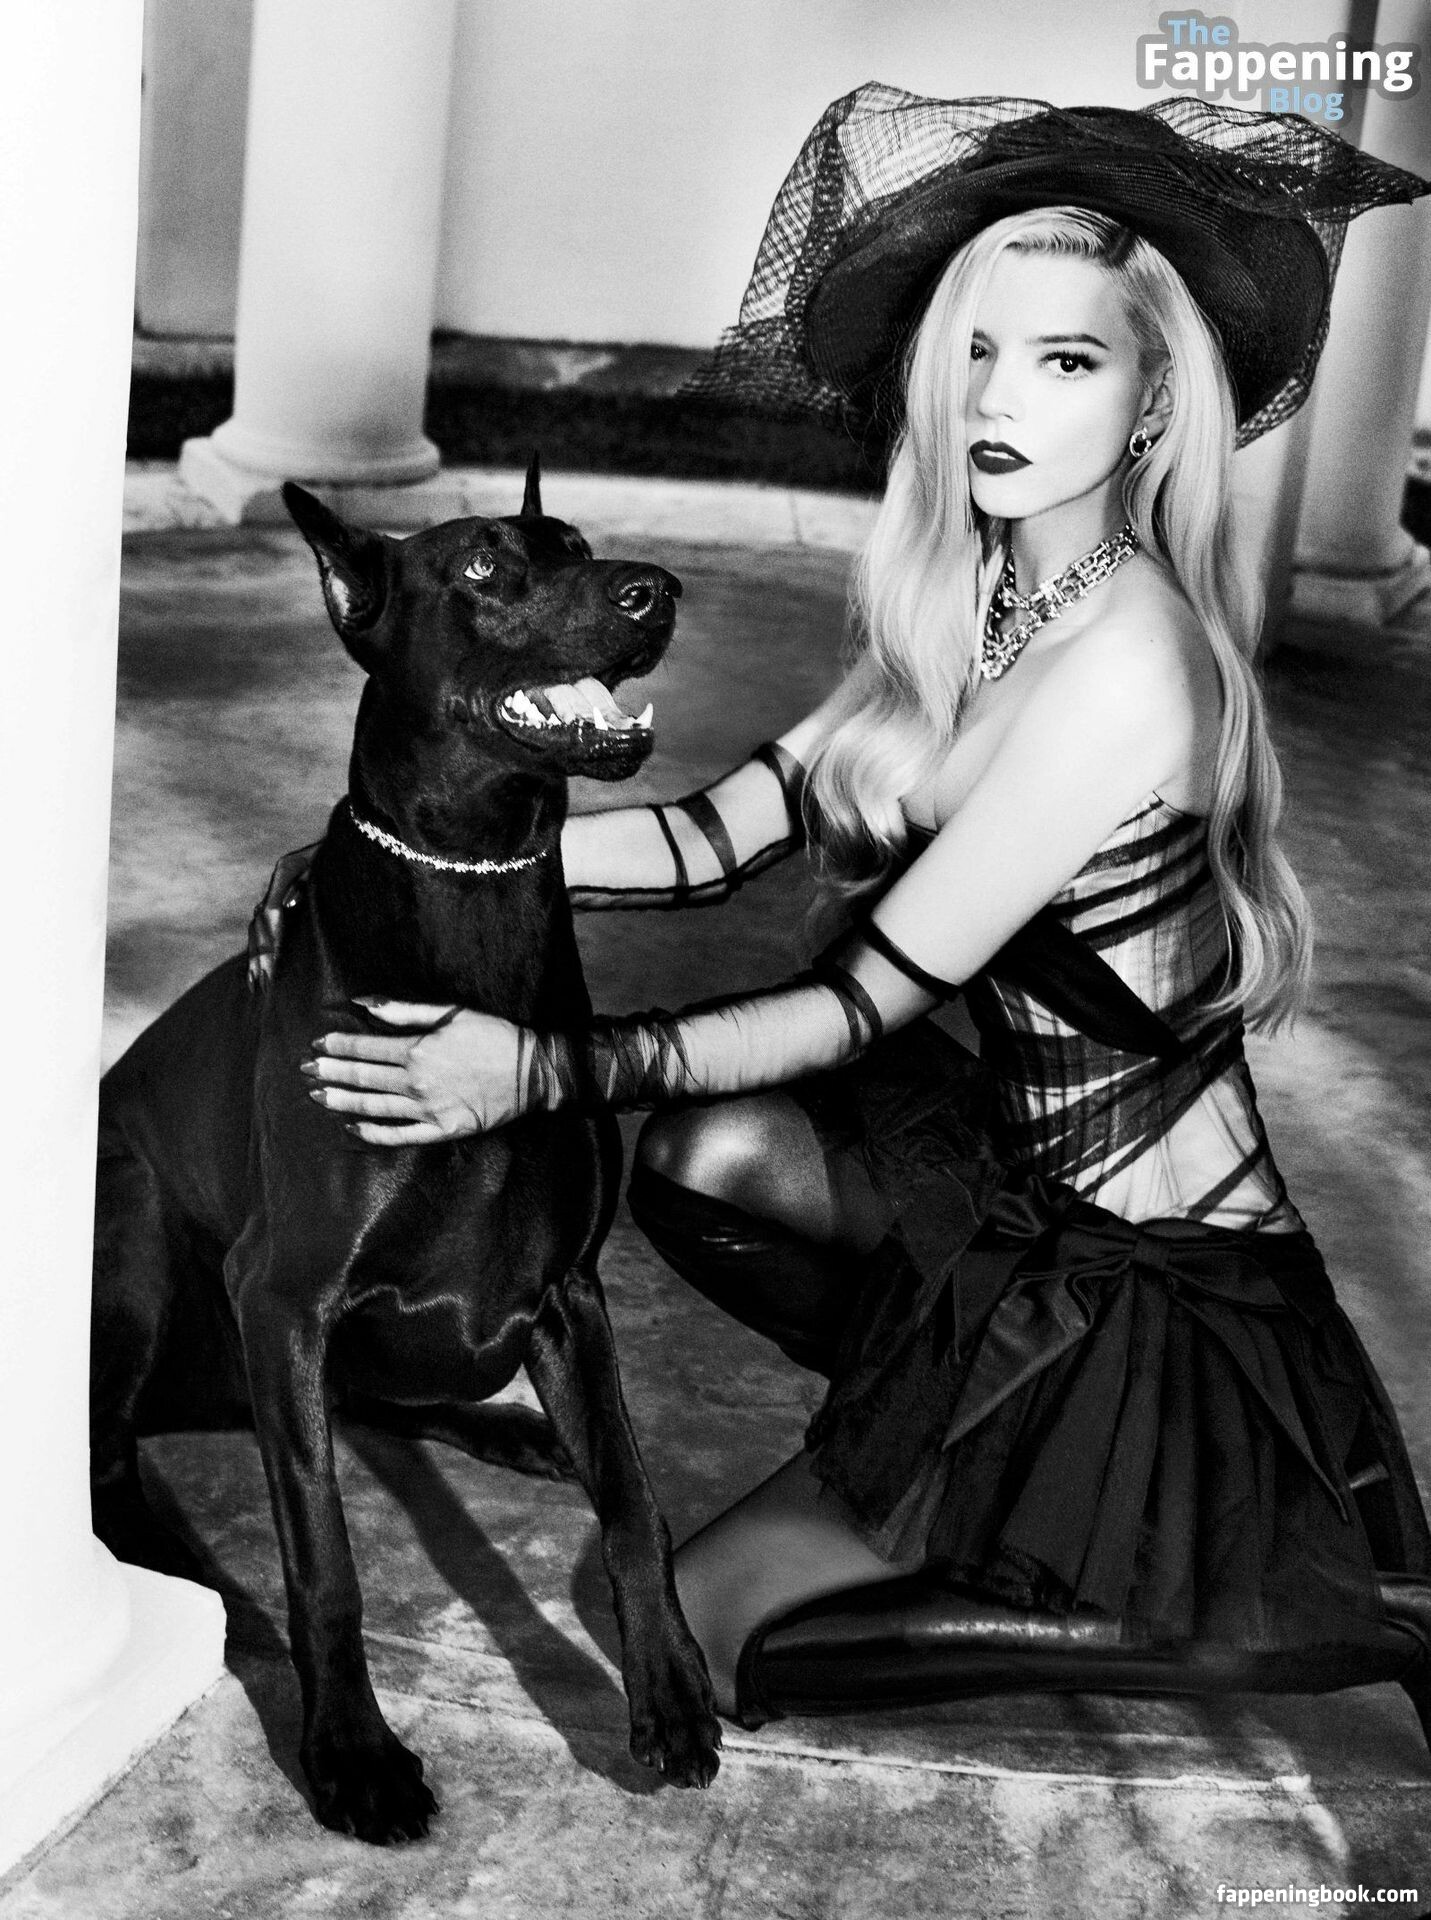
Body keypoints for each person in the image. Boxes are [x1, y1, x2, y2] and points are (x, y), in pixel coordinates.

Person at [288, 91, 1431, 1731]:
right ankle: (976, 1466)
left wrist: (522, 1072)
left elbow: (853, 1008)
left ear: (1156, 399)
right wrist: (379, 854)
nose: (998, 400)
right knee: (703, 1159)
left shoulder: (1128, 667)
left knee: (696, 1635)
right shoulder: (980, 595)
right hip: (1012, 1206)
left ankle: (1253, 1604)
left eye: (1066, 360)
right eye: (976, 352)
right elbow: (708, 840)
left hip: (1158, 1292)